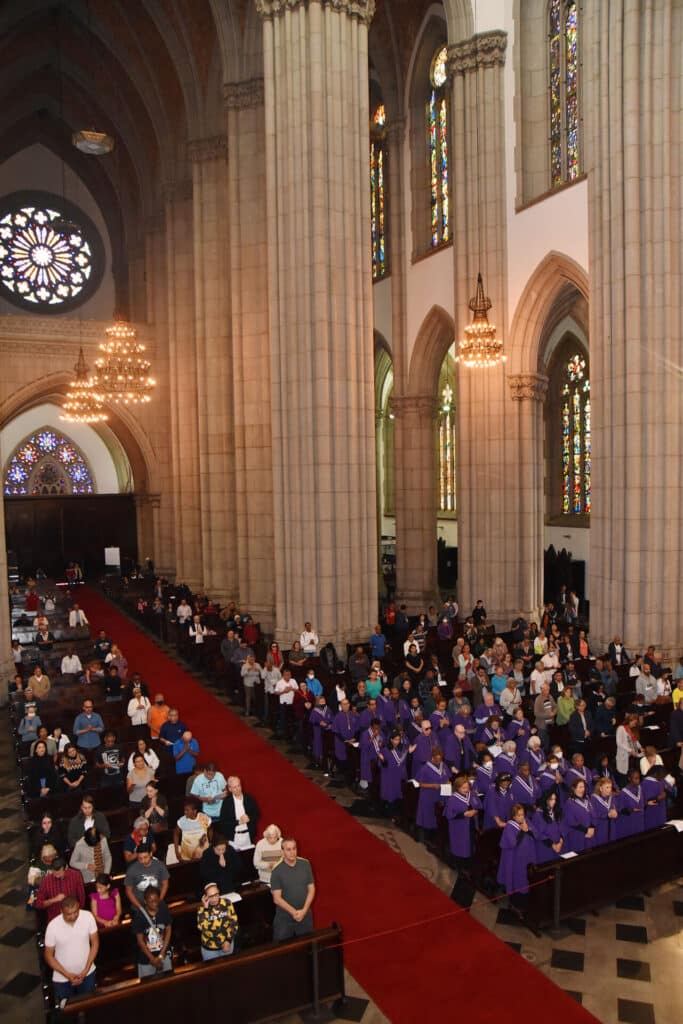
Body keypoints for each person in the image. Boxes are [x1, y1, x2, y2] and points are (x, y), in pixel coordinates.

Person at [44, 896, 99, 1002]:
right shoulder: (53, 926)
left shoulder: (88, 917)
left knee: (89, 1005)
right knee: (65, 1009)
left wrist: (86, 969)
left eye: (76, 912)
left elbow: (95, 943)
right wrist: (67, 974)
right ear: (61, 911)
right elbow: (48, 955)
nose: (73, 916)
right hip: (62, 979)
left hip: (88, 974)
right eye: (69, 914)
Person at [270, 837, 315, 942]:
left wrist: (304, 911)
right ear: (282, 851)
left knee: (308, 945)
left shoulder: (305, 864)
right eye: (288, 849)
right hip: (284, 917)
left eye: (294, 848)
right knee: (282, 947)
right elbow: (277, 899)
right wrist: (294, 913)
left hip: (305, 914)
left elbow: (311, 889)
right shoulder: (277, 871)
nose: (292, 852)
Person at [497, 804, 536, 917]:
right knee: (517, 879)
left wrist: (528, 829)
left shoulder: (526, 821)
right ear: (513, 816)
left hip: (527, 856)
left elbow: (536, 833)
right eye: (519, 815)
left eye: (523, 814)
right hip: (515, 859)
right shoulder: (509, 826)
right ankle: (516, 904)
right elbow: (513, 843)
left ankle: (526, 902)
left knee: (526, 878)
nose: (521, 817)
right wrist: (523, 831)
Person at [132, 886, 173, 978]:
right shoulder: (140, 915)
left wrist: (161, 954)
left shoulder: (163, 909)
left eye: (156, 901)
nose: (154, 904)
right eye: (151, 901)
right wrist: (152, 959)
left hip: (163, 954)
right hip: (146, 958)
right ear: (145, 901)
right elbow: (140, 941)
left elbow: (168, 930)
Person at [443, 775, 481, 866]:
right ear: (457, 788)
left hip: (471, 824)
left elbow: (479, 806)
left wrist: (475, 811)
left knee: (471, 843)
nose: (466, 790)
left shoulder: (472, 794)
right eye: (463, 788)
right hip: (459, 826)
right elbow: (449, 815)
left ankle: (469, 862)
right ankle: (459, 864)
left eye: (467, 787)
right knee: (460, 845)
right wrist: (463, 814)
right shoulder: (452, 799)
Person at [197, 883, 239, 960]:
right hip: (210, 949)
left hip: (227, 944)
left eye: (216, 894)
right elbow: (202, 927)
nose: (214, 899)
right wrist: (206, 909)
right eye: (211, 896)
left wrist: (228, 940)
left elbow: (234, 922)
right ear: (205, 897)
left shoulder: (227, 903)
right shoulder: (201, 908)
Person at [36, 858, 86, 923]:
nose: (57, 875)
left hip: (74, 917)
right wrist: (54, 899)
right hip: (55, 919)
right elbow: (39, 904)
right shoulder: (46, 881)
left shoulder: (76, 875)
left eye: (59, 873)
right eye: (54, 872)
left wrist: (77, 914)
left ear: (66, 868)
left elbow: (81, 897)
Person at [218, 776, 260, 849]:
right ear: (230, 789)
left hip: (248, 836)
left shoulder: (249, 798)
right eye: (234, 787)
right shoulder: (227, 802)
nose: (238, 789)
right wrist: (238, 822)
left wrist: (249, 818)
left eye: (239, 786)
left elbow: (257, 814)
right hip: (234, 838)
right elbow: (223, 822)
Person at [561, 779, 596, 853]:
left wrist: (592, 827)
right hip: (577, 834)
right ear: (574, 788)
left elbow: (593, 814)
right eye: (580, 787)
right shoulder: (569, 803)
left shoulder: (587, 800)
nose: (582, 789)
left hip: (590, 833)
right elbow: (570, 822)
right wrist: (586, 830)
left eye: (583, 787)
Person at [174, 796, 212, 862]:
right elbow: (176, 834)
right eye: (184, 810)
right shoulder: (182, 821)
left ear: (194, 811)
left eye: (187, 810)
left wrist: (210, 842)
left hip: (204, 855)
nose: (185, 812)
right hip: (187, 857)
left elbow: (210, 829)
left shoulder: (204, 818)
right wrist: (176, 851)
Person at [532, 790, 564, 862]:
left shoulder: (555, 811)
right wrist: (552, 845)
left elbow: (561, 827)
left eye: (555, 799)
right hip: (545, 848)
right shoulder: (538, 814)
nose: (554, 802)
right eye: (551, 799)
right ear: (546, 800)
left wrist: (561, 841)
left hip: (558, 845)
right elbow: (538, 834)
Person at [615, 768, 646, 839]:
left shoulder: (640, 788)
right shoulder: (623, 792)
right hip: (629, 823)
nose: (638, 780)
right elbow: (620, 809)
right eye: (635, 778)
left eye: (639, 778)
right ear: (629, 778)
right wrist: (630, 810)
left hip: (640, 821)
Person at [616, 713, 643, 784]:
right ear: (629, 721)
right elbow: (619, 743)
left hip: (632, 757)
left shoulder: (631, 730)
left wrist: (640, 747)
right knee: (624, 776)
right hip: (624, 756)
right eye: (634, 723)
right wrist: (630, 750)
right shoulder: (621, 728)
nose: (635, 725)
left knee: (632, 774)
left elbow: (635, 740)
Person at [590, 778, 618, 845]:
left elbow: (615, 808)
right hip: (600, 828)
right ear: (601, 788)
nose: (609, 789)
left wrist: (616, 813)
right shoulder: (593, 799)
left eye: (610, 787)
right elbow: (594, 815)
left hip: (612, 827)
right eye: (607, 787)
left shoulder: (612, 797)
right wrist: (607, 815)